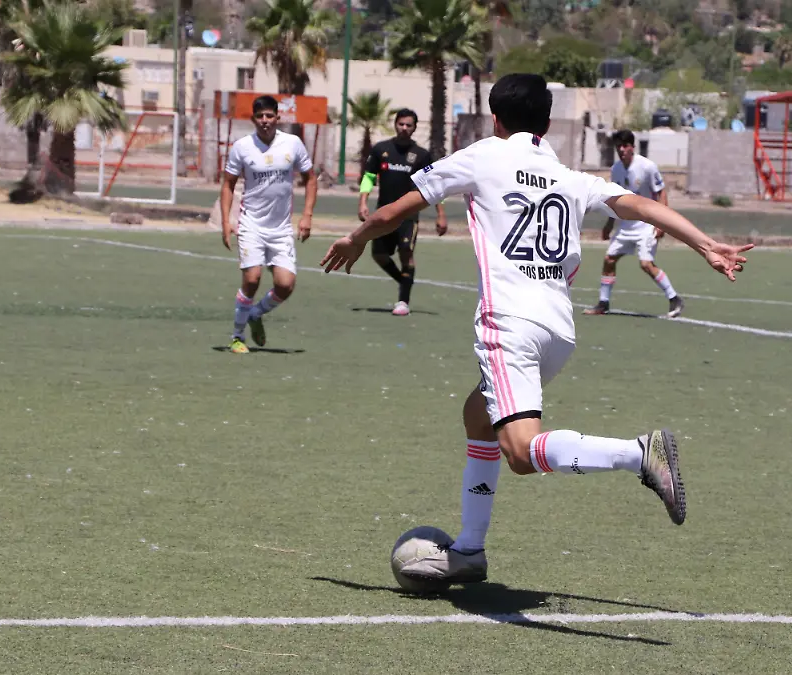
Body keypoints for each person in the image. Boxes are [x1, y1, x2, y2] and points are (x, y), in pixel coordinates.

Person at [321, 74, 752, 584]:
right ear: (546, 124)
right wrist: (704, 244)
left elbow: (394, 211)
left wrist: (355, 238)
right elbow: (639, 205)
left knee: (522, 452)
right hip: (558, 330)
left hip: (509, 323)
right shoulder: (567, 173)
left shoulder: (483, 155)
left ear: (495, 119)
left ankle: (638, 454)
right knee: (478, 417)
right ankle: (470, 551)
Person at [220, 95, 317, 352]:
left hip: (281, 228)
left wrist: (307, 215)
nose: (265, 121)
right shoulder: (242, 147)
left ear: (277, 117)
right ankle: (237, 336)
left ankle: (255, 314)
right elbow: (228, 184)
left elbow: (310, 178)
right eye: (260, 116)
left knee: (285, 285)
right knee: (252, 279)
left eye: (269, 116)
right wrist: (226, 221)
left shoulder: (292, 143)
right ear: (253, 119)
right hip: (251, 224)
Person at [357, 108, 448, 316]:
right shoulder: (381, 149)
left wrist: (440, 214)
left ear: (415, 128)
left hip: (408, 216)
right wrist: (363, 201)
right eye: (401, 124)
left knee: (406, 253)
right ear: (395, 124)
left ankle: (403, 301)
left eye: (409, 125)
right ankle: (404, 280)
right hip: (383, 214)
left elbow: (433, 185)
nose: (404, 128)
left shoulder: (422, 155)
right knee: (379, 255)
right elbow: (369, 177)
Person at [584, 129, 684, 318]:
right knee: (609, 260)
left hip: (646, 224)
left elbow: (661, 193)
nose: (621, 150)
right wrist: (609, 224)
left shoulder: (647, 167)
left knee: (646, 264)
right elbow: (615, 199)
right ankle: (603, 303)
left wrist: (661, 223)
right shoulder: (616, 169)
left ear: (632, 147)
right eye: (618, 146)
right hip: (625, 226)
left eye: (625, 146)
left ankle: (674, 298)